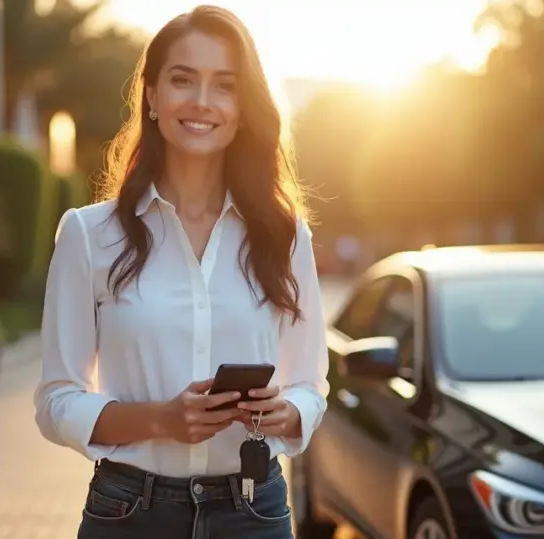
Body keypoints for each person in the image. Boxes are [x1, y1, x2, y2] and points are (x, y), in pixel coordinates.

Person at [33, 5, 330, 539]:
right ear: (151, 95)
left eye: (224, 85)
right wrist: (161, 421)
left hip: (253, 511)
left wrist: (285, 412)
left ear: (244, 105)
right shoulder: (89, 233)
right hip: (129, 510)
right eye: (182, 80)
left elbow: (311, 384)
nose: (201, 102)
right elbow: (57, 401)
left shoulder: (285, 237)